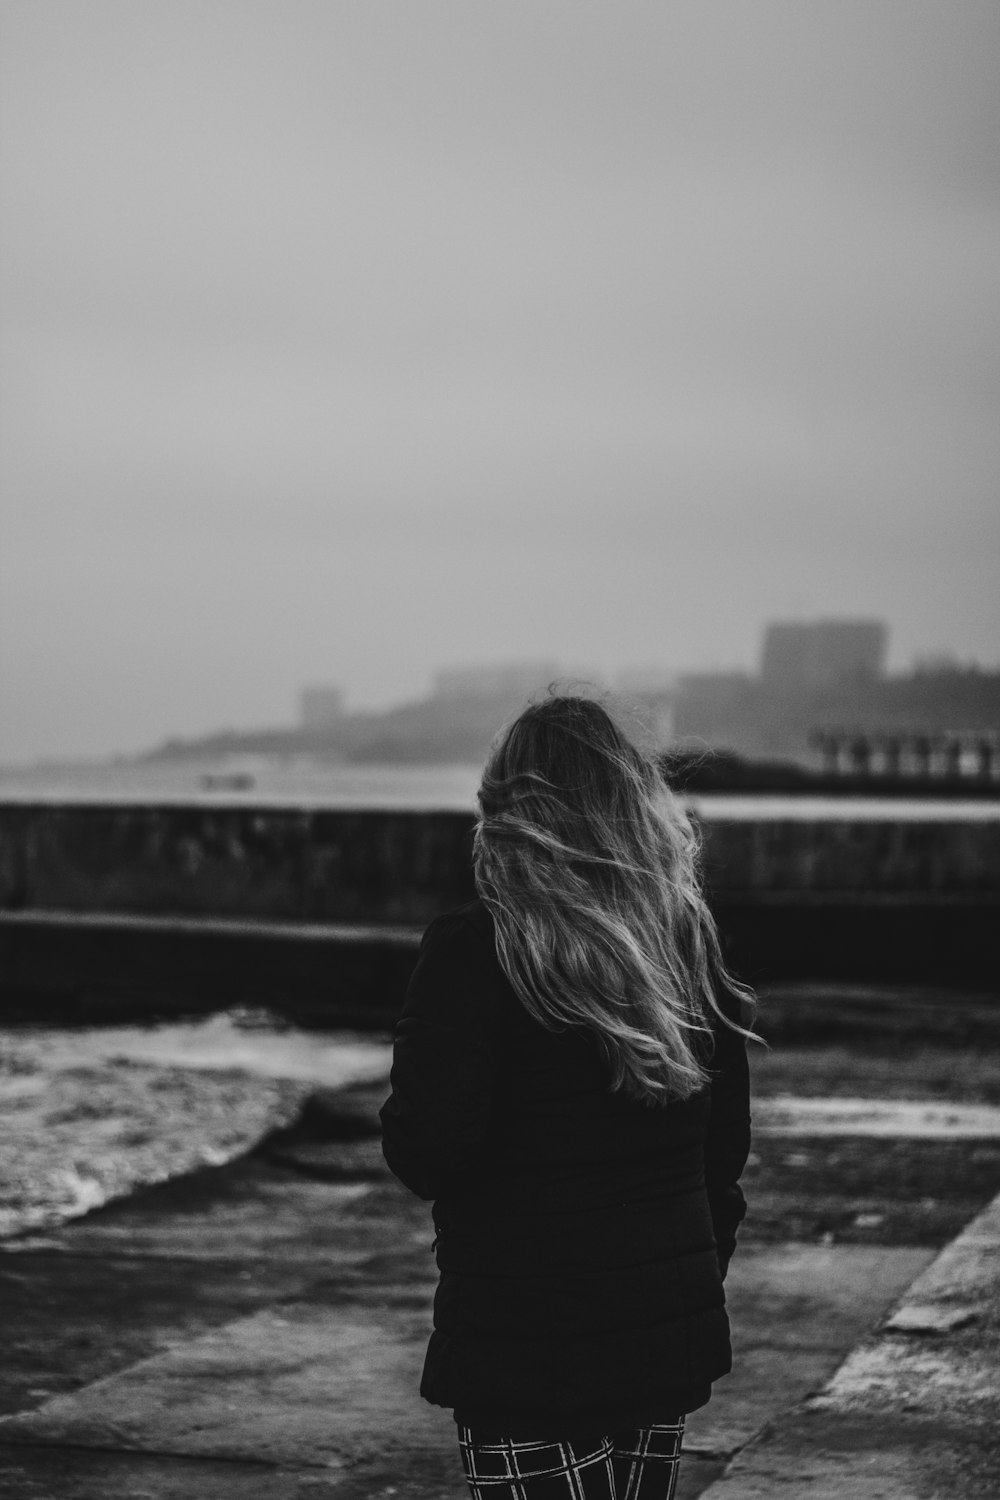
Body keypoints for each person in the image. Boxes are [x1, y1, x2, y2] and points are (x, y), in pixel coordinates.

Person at [380, 695, 754, 1499]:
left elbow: (430, 1150)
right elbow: (721, 1156)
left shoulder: (475, 951)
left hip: (526, 1347)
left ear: (509, 812)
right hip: (659, 1339)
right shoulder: (681, 945)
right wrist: (684, 1281)